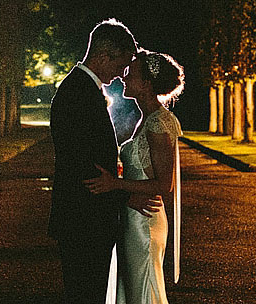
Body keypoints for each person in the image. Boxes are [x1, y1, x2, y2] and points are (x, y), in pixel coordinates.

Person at [49, 18, 158, 304]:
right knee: (87, 294)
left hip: (85, 219)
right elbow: (84, 168)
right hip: (83, 220)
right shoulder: (78, 93)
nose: (122, 73)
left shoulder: (83, 89)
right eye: (121, 63)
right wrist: (123, 198)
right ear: (102, 55)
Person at [85, 50, 184, 304]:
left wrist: (115, 184)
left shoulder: (158, 124)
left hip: (145, 223)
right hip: (133, 218)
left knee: (143, 289)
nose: (123, 78)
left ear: (146, 85)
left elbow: (164, 184)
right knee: (132, 290)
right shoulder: (146, 119)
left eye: (131, 74)